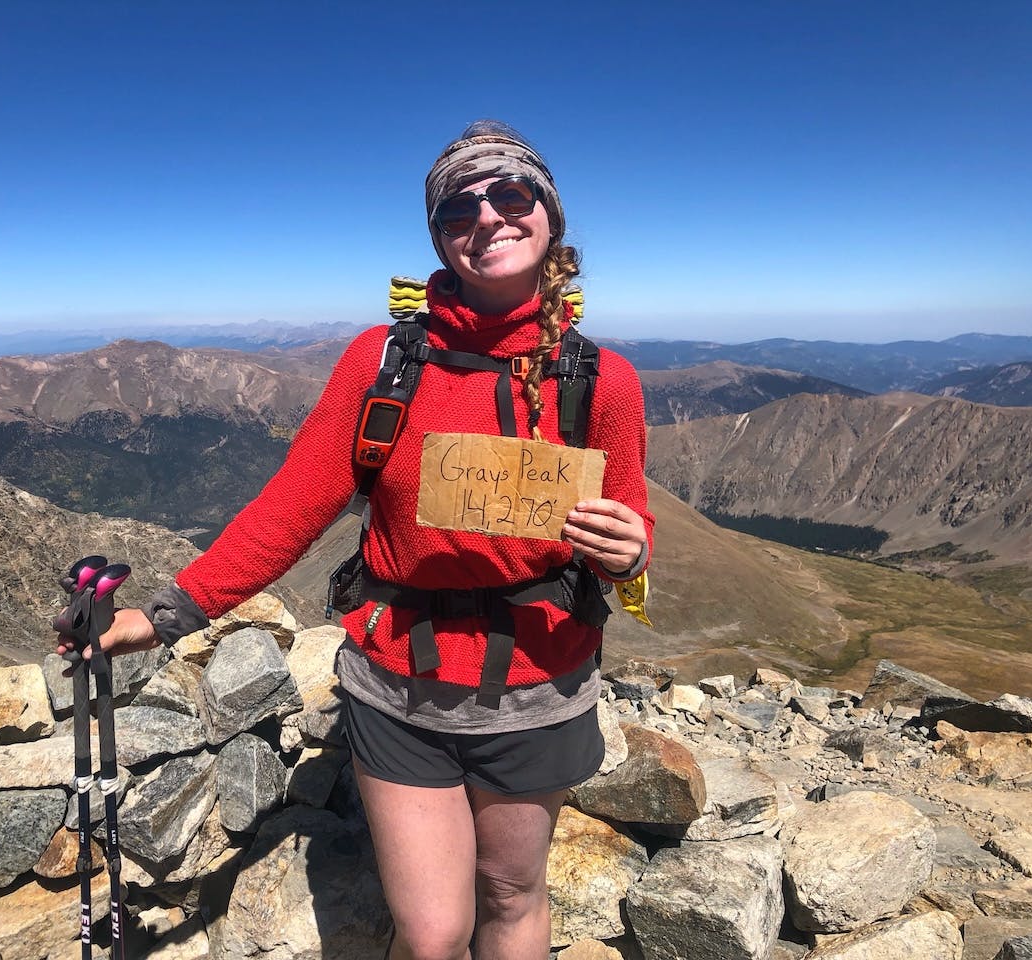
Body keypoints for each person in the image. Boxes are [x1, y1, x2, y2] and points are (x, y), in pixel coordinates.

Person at [58, 119, 653, 960]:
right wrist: (162, 616)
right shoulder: (383, 363)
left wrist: (630, 551)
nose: (487, 218)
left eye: (511, 195)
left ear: (548, 215)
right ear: (439, 236)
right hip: (399, 688)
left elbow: (630, 528)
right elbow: (289, 510)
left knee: (514, 895)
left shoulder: (603, 381)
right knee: (434, 930)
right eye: (458, 208)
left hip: (541, 685)